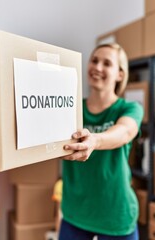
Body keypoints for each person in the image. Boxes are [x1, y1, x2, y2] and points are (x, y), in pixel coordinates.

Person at [59, 43, 144, 240]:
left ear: (120, 74)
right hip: (76, 211)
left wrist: (95, 141)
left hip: (116, 213)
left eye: (107, 63)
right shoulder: (70, 109)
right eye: (94, 60)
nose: (97, 67)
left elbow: (124, 131)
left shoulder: (130, 108)